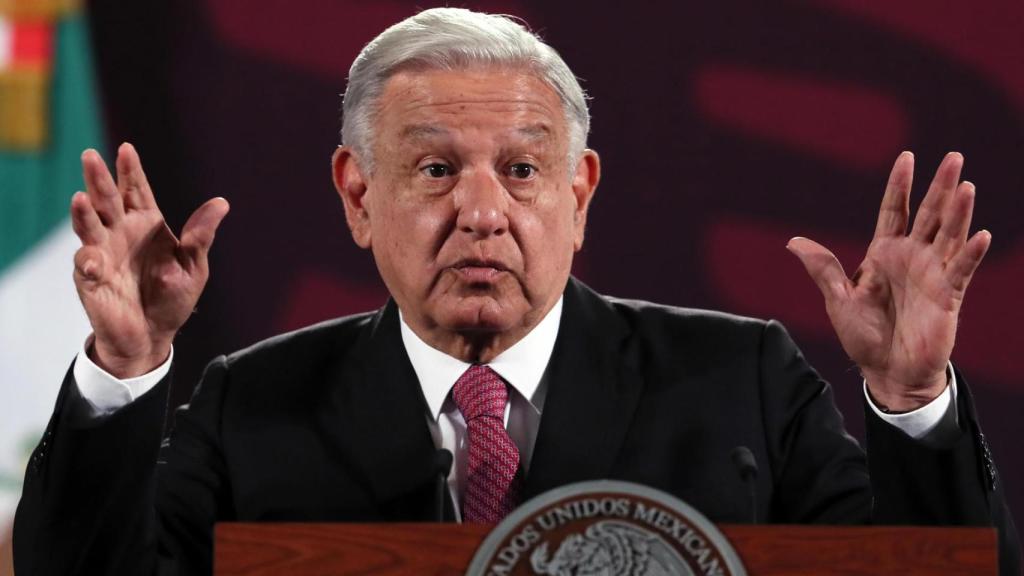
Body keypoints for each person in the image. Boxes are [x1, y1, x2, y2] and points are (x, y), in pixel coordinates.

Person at [14, 7, 1019, 575]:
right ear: (358, 196)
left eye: (524, 170)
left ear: (579, 197)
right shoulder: (252, 404)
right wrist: (123, 370)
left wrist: (911, 399)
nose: (483, 212)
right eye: (436, 169)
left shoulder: (737, 381)